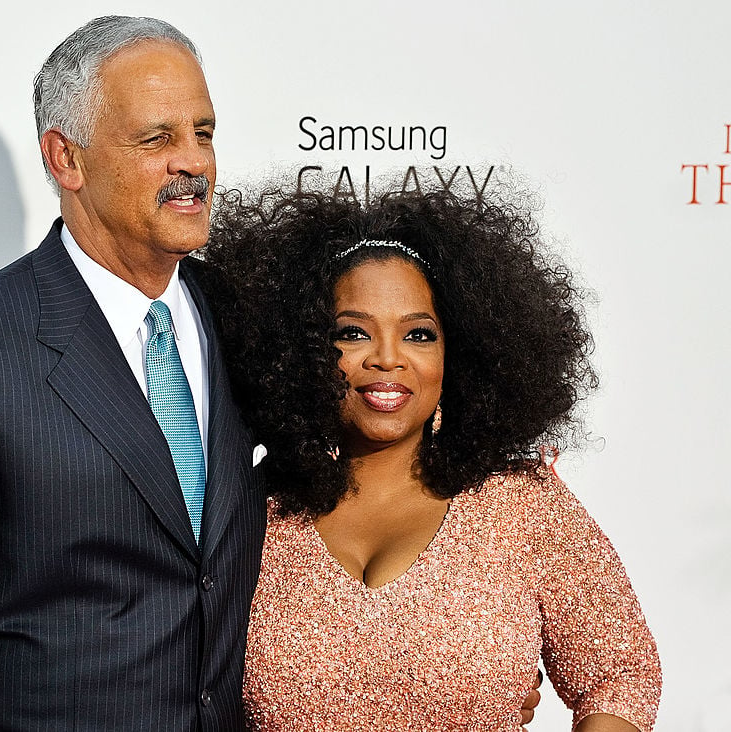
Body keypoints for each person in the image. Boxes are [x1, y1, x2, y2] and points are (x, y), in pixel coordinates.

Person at [0, 16, 266, 730]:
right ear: (66, 159)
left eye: (204, 132)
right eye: (156, 138)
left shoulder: (251, 323)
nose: (193, 162)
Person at [204, 188, 662, 730]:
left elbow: (621, 676)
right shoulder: (252, 506)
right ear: (298, 351)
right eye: (352, 333)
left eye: (418, 334)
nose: (388, 359)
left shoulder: (519, 501)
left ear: (459, 352)